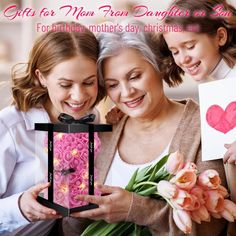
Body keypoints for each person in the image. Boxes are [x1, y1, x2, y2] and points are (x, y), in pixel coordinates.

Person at [61, 21, 229, 236]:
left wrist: (136, 208)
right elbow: (71, 229)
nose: (127, 92)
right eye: (113, 84)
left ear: (159, 66)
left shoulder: (207, 126)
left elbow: (210, 227)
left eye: (135, 76)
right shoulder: (105, 132)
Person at [0, 21, 105, 235]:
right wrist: (18, 206)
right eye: (66, 85)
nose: (79, 96)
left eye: (88, 82)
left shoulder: (92, 119)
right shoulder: (12, 126)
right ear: (41, 77)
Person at [158, 0, 236, 203]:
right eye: (175, 51)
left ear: (220, 36)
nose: (182, 59)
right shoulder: (216, 87)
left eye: (190, 46)